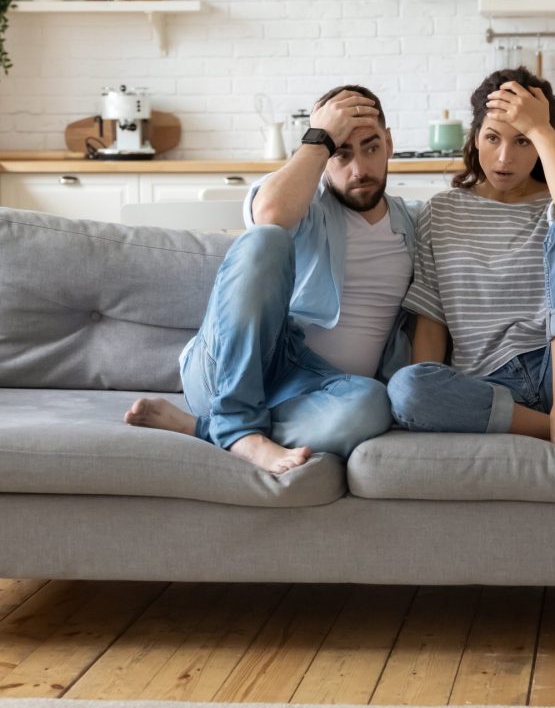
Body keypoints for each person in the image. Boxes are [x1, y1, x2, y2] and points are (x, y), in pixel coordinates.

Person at [124, 84, 420, 474]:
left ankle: (206, 429)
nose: (359, 169)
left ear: (390, 143)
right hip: (231, 370)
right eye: (342, 154)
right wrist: (319, 139)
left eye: (371, 148)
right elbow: (269, 215)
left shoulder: (414, 223)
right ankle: (237, 424)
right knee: (266, 238)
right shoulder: (303, 205)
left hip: (315, 392)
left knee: (373, 405)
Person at [387, 67, 555, 460]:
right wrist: (434, 389)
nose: (505, 157)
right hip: (492, 385)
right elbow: (432, 319)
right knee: (406, 388)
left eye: (523, 140)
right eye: (492, 138)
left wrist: (542, 127)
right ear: (475, 137)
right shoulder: (440, 212)